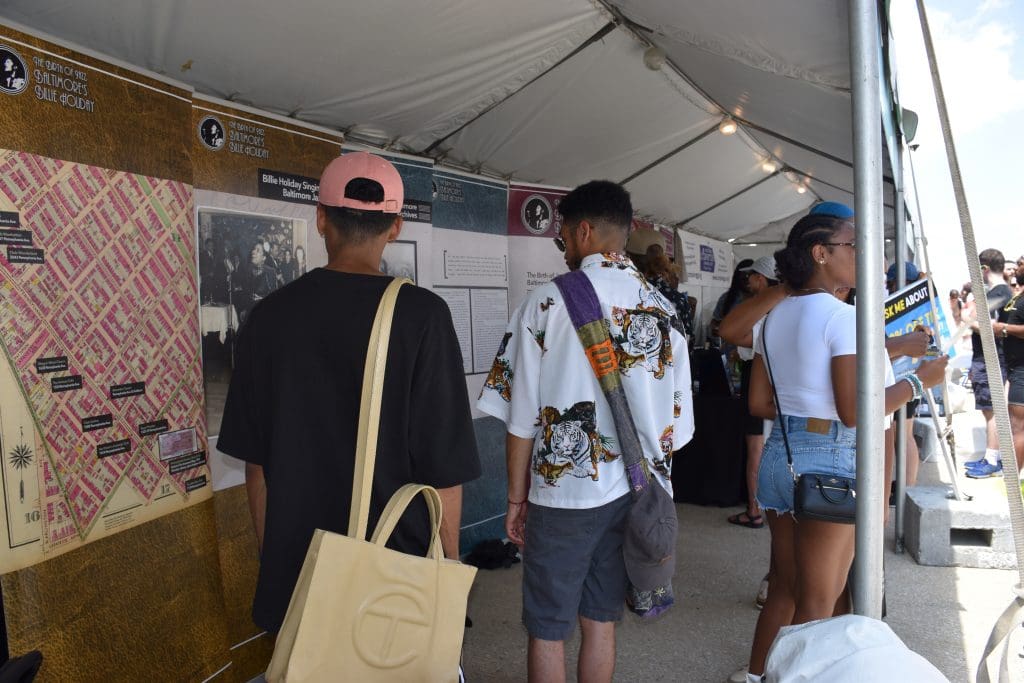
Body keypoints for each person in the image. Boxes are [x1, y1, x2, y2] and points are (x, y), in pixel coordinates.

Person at [218, 152, 481, 635]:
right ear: (396, 226)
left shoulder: (268, 317)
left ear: (321, 219)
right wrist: (448, 566)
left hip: (301, 570)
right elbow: (443, 472)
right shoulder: (422, 316)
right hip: (396, 577)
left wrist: (276, 563)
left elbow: (258, 470)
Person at [478, 180, 693, 682]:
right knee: (600, 620)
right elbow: (678, 430)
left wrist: (516, 499)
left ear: (584, 232)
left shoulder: (544, 305)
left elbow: (521, 419)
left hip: (563, 499)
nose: (565, 249)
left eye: (564, 239)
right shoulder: (663, 310)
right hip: (636, 495)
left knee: (548, 628)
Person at [741, 213, 947, 681]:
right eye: (854, 246)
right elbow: (856, 411)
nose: (864, 256)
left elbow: (758, 402)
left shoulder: (774, 316)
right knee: (819, 604)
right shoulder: (844, 318)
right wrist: (920, 381)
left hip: (782, 454)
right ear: (820, 253)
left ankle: (756, 677)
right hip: (831, 460)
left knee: (785, 589)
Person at [725, 256, 778, 530]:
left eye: (752, 276)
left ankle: (754, 509)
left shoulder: (763, 313)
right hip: (775, 386)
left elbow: (731, 333)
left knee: (756, 448)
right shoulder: (783, 310)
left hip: (759, 383)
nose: (747, 281)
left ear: (761, 279)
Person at [963, 248, 1013, 478]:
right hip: (989, 358)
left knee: (992, 411)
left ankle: (992, 460)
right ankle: (994, 457)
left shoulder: (1000, 293)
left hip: (991, 359)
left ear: (983, 268)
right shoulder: (1003, 292)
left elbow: (988, 327)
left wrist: (967, 319)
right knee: (990, 410)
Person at [626, 229, 694, 341]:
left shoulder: (622, 292)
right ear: (664, 258)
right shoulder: (678, 300)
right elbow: (687, 342)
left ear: (629, 257)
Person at [996, 261, 1024, 471]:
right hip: (1015, 368)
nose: (1018, 267)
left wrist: (1004, 328)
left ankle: (1015, 480)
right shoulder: (1018, 295)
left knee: (1018, 427)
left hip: (1022, 370)